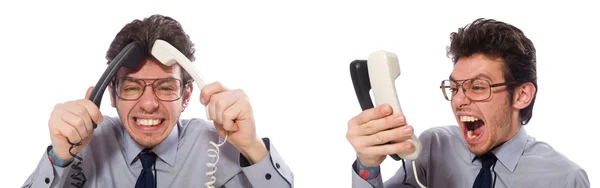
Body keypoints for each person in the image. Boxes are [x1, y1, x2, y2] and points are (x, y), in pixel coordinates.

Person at [22, 14, 293, 188]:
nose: (149, 104)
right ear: (111, 95)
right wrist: (59, 159)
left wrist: (252, 147)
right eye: (131, 87)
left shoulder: (218, 146)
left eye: (165, 87)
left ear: (187, 95)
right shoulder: (84, 147)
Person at [347, 18, 589, 188]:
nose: (459, 100)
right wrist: (368, 163)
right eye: (454, 88)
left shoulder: (566, 179)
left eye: (478, 87)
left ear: (522, 95)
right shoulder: (433, 148)